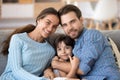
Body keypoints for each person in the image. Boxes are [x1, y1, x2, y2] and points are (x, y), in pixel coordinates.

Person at [50, 5, 120, 80]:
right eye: (65, 25)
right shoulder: (73, 44)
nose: (69, 27)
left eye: (72, 22)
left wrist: (56, 64)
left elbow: (82, 69)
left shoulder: (92, 35)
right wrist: (48, 70)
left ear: (81, 20)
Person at [0, 7, 59, 80]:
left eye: (54, 27)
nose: (50, 29)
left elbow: (46, 69)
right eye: (48, 22)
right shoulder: (18, 39)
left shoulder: (50, 51)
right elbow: (16, 70)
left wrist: (48, 70)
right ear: (38, 20)